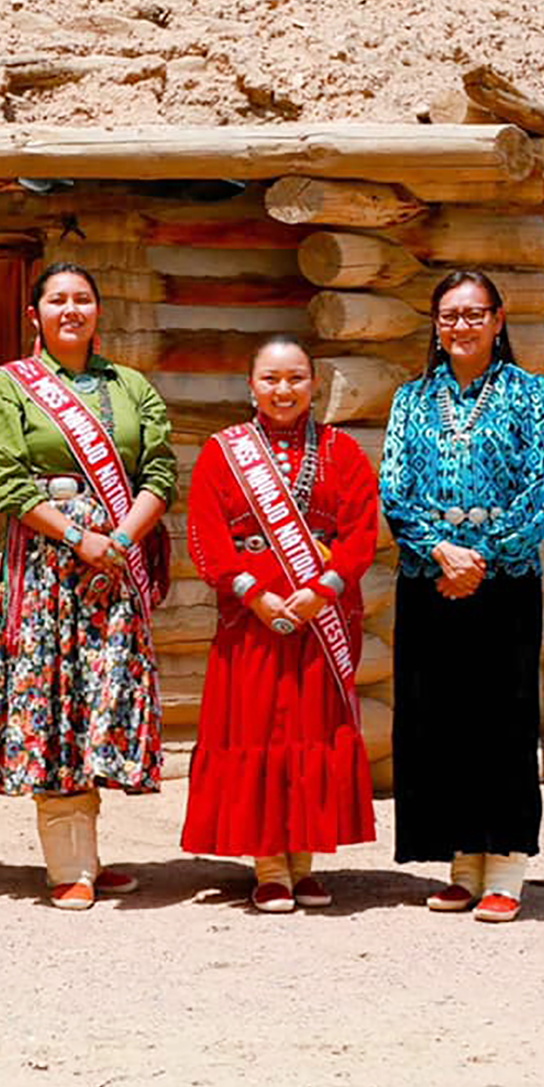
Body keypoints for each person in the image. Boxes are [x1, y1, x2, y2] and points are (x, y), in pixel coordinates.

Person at [0, 261, 175, 910]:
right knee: (52, 704)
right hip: (45, 566)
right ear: (35, 314)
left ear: (97, 312)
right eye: (57, 300)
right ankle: (68, 864)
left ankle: (85, 850)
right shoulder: (11, 386)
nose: (70, 309)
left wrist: (119, 540)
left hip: (113, 567)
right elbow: (5, 478)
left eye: (82, 299)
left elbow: (161, 468)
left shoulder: (130, 385)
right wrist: (77, 537)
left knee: (100, 701)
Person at [380, 270, 544, 924]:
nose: (461, 325)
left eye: (473, 313)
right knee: (440, 718)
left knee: (504, 717)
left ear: (498, 318)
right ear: (435, 323)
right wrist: (440, 551)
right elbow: (394, 490)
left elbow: (539, 493)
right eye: (449, 315)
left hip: (505, 581)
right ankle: (461, 863)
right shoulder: (410, 399)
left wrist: (482, 558)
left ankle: (506, 865)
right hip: (429, 579)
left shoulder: (533, 396)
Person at [181, 335, 378, 912]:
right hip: (252, 619)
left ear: (314, 384)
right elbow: (207, 535)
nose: (283, 390)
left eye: (295, 378)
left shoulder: (343, 452)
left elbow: (361, 533)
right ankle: (269, 863)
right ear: (251, 385)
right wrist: (254, 594)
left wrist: (323, 591)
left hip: (320, 620)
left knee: (311, 731)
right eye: (271, 378)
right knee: (257, 731)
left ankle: (304, 857)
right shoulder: (223, 452)